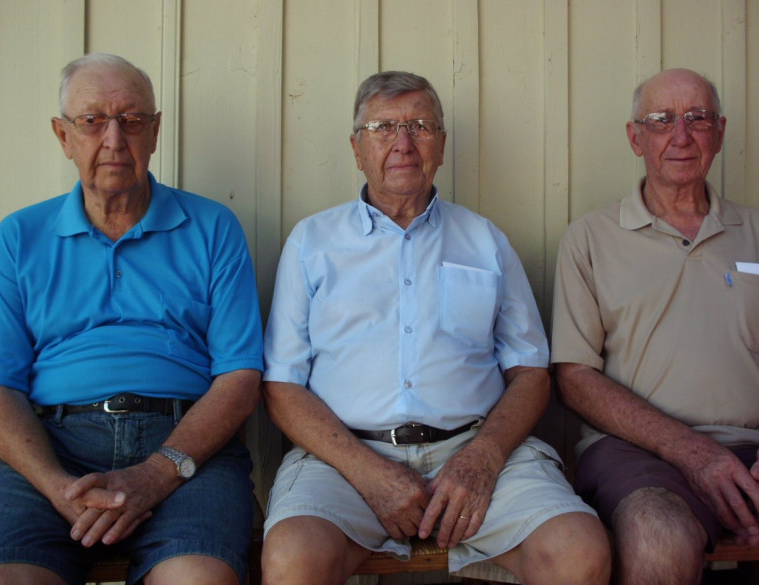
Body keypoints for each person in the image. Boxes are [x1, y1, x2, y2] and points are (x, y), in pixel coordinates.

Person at [260, 70, 610, 585]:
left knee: (578, 550)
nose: (403, 143)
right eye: (383, 128)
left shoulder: (484, 239)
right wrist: (366, 471)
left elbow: (532, 371)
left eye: (420, 126)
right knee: (292, 559)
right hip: (344, 458)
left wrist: (484, 457)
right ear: (357, 148)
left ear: (441, 145)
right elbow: (282, 385)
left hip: (475, 448)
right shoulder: (312, 242)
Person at [0, 53, 264, 585]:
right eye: (92, 121)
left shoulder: (212, 227)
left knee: (200, 579)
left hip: (184, 444)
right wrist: (59, 489)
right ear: (63, 136)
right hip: (53, 444)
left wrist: (158, 473)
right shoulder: (18, 237)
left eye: (132, 121)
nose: (114, 139)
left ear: (154, 132)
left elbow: (240, 378)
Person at [551, 68, 759, 585]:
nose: (681, 136)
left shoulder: (755, 232)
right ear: (635, 137)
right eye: (662, 120)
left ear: (720, 131)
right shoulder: (591, 238)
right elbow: (574, 377)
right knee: (656, 535)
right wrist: (693, 452)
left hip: (753, 448)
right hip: (639, 455)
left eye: (697, 118)